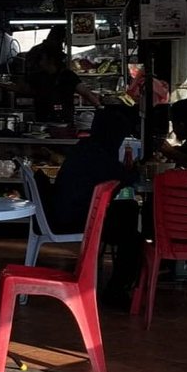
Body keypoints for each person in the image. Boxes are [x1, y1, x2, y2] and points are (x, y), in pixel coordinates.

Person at [47, 104, 142, 306]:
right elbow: (127, 177)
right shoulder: (100, 155)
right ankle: (117, 289)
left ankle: (119, 285)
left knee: (129, 209)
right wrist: (137, 170)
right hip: (76, 218)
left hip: (67, 211)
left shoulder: (85, 148)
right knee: (133, 236)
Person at [23, 29, 101, 123]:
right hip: (45, 121)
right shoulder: (40, 77)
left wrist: (100, 108)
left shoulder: (67, 76)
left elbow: (86, 93)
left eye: (42, 59)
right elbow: (86, 93)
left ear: (51, 60)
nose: (40, 63)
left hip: (61, 121)